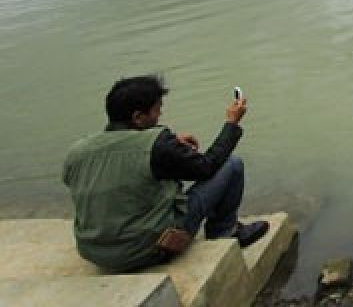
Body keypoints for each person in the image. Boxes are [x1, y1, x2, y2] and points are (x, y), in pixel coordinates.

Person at [62, 75, 267, 273]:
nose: (160, 115)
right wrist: (231, 124)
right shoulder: (157, 146)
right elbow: (207, 167)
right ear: (138, 117)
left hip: (95, 254)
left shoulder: (77, 150)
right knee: (232, 165)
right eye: (157, 110)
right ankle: (225, 231)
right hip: (148, 250)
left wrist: (171, 145)